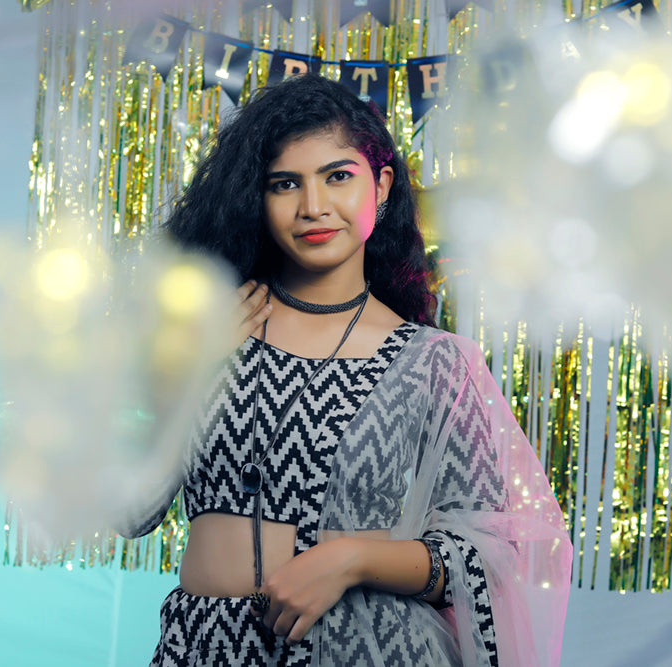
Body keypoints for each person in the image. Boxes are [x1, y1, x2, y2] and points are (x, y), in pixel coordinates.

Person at [119, 73, 572, 666]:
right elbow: (128, 512)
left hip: (368, 649)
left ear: (380, 185)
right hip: (202, 648)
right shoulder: (201, 327)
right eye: (286, 184)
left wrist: (351, 558)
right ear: (256, 197)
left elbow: (497, 555)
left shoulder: (433, 361)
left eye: (338, 176)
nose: (313, 207)